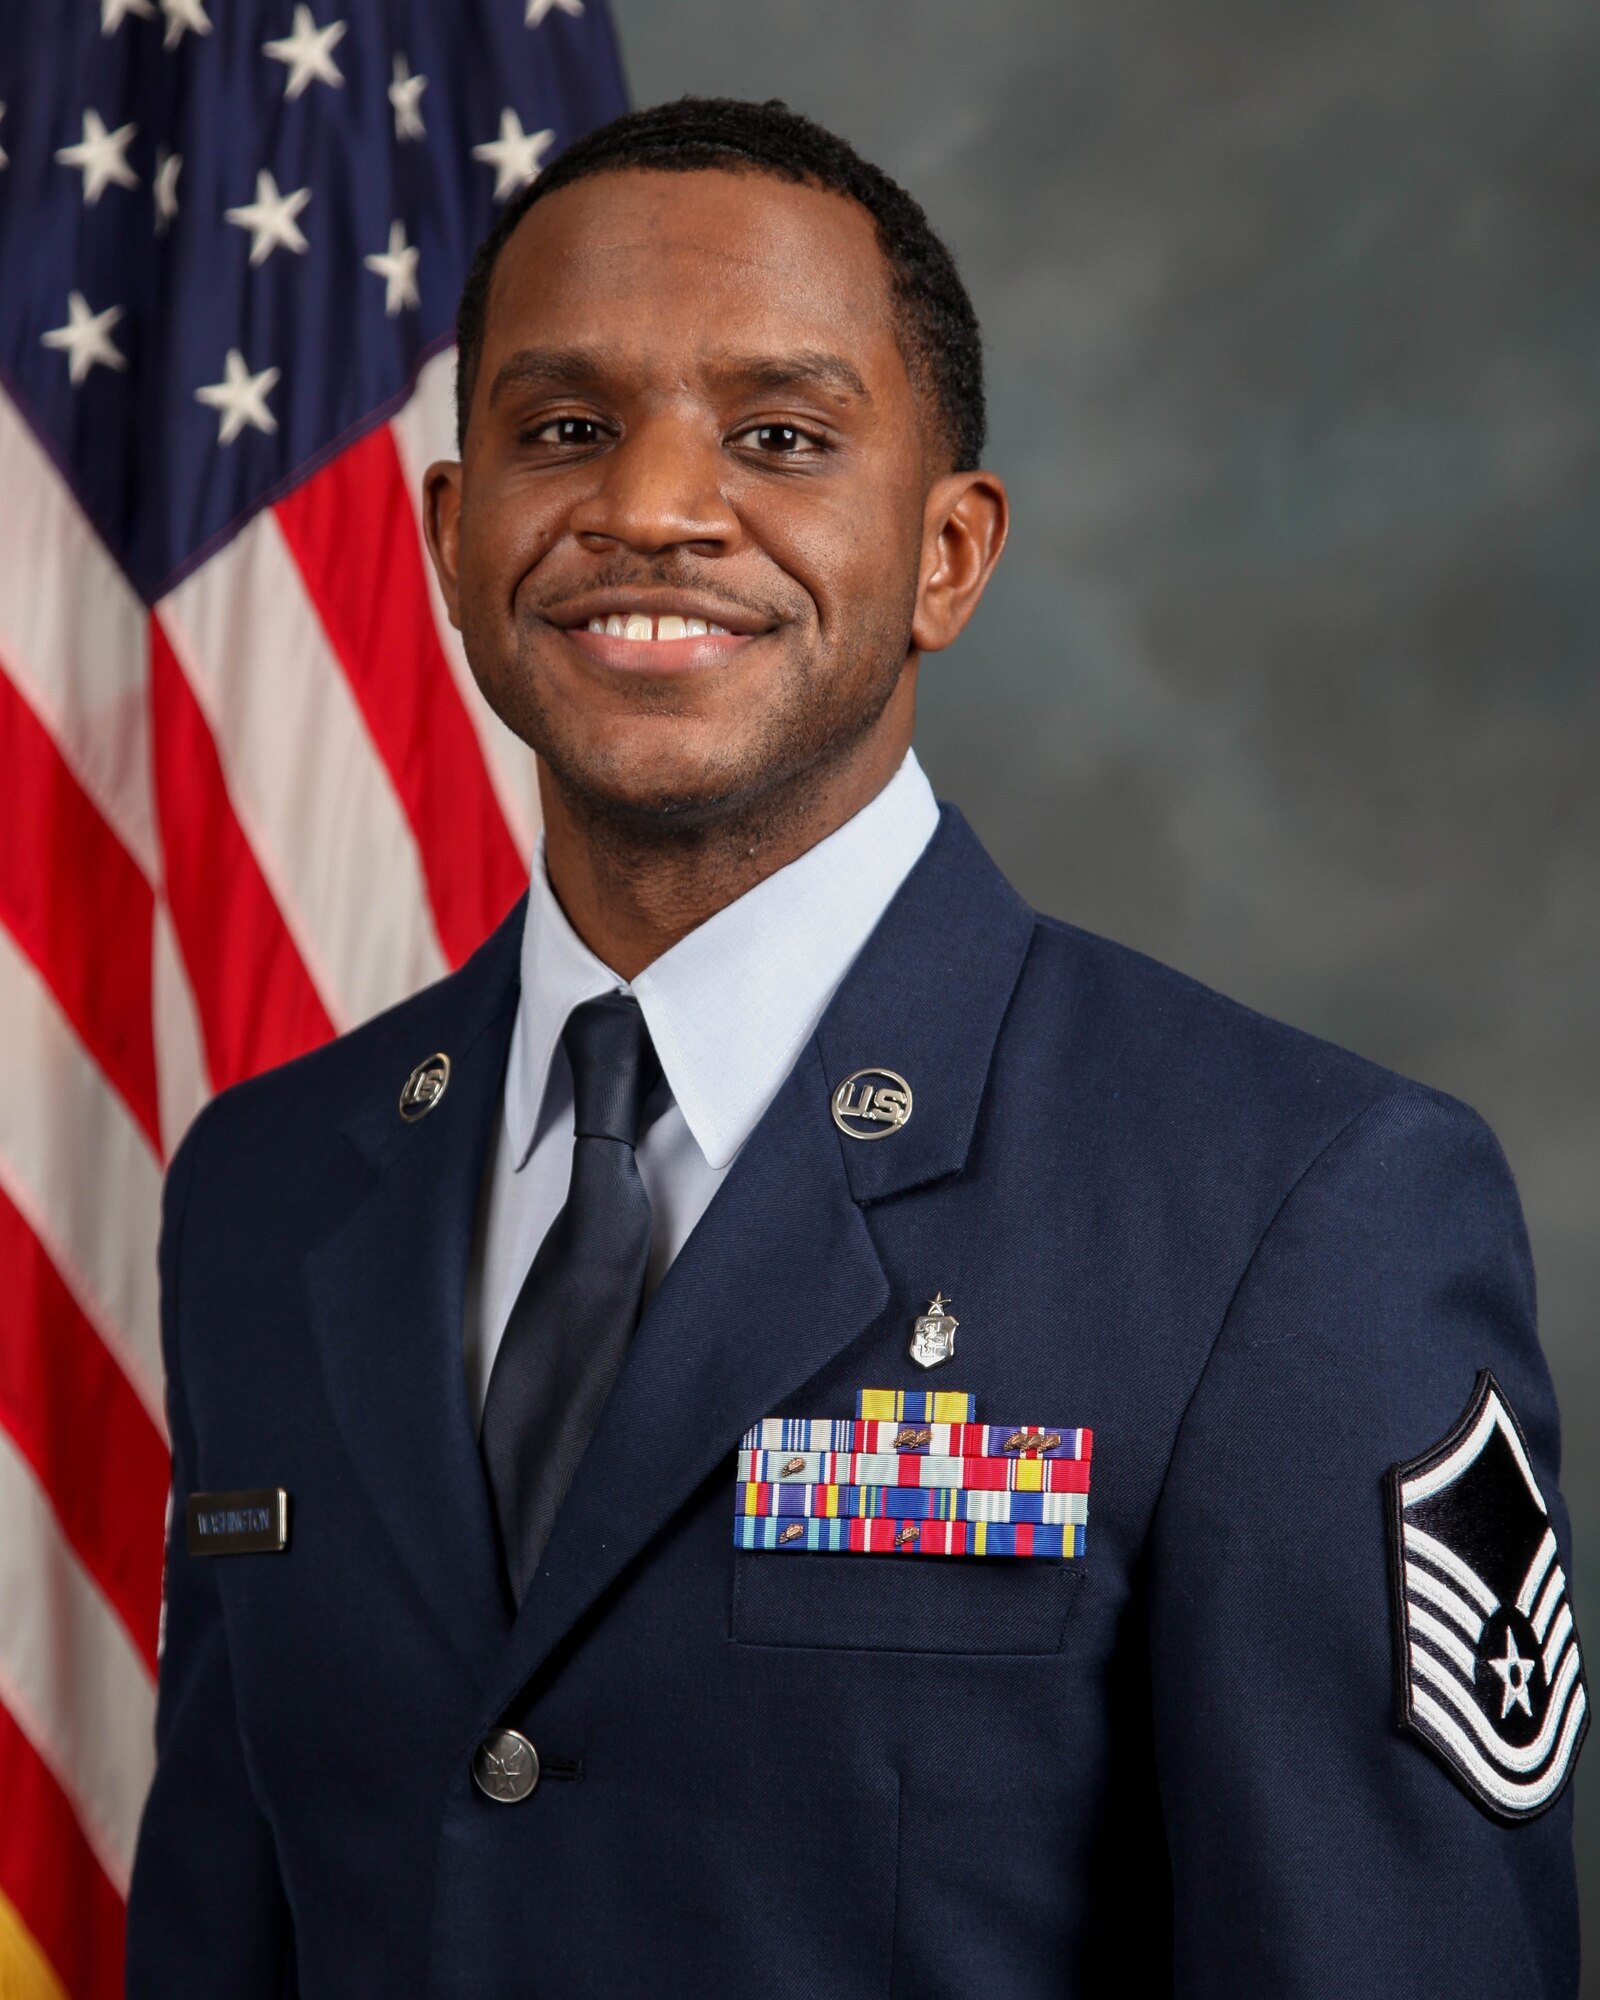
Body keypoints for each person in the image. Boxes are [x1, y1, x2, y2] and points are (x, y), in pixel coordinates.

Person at [126, 97, 1584, 1997]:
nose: (650, 506)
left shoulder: (1291, 1213)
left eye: (781, 437)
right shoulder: (271, 1184)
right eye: (562, 429)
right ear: (451, 531)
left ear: (947, 557)